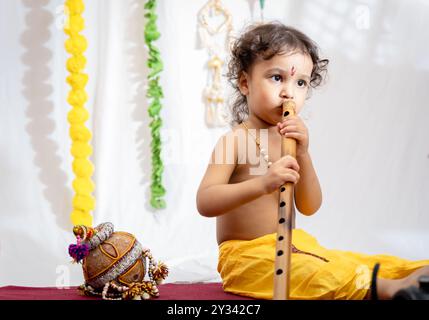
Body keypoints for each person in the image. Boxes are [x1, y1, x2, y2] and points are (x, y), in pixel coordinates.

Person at [196, 22, 429, 300]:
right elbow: (206, 201)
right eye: (276, 78)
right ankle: (391, 291)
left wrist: (303, 154)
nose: (288, 92)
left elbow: (309, 206)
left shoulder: (291, 141)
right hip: (247, 258)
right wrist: (263, 183)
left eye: (300, 82)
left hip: (293, 245)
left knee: (352, 262)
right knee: (319, 275)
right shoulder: (235, 140)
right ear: (246, 83)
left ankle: (412, 276)